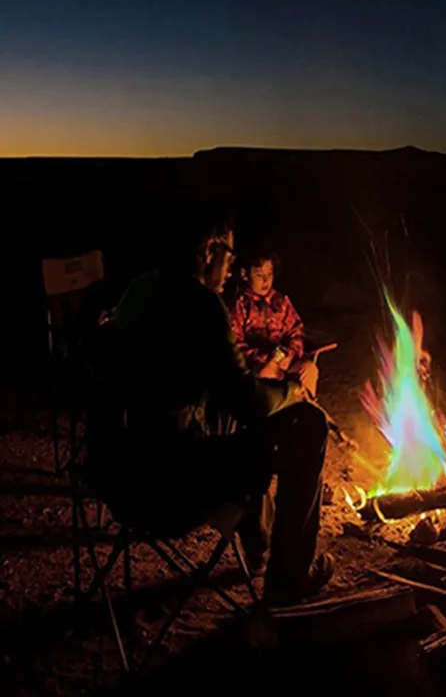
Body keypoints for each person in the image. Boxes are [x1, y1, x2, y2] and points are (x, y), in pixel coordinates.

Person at [86, 207, 333, 604]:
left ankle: (258, 542)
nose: (233, 265)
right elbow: (250, 402)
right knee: (308, 424)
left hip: (117, 474)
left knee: (230, 419)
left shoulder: (140, 289)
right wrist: (292, 391)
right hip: (170, 486)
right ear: (207, 251)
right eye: (229, 255)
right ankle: (287, 582)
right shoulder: (202, 307)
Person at [230, 250, 319, 397]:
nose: (265, 281)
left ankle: (307, 410)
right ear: (245, 275)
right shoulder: (240, 305)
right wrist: (265, 359)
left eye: (269, 274)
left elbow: (296, 331)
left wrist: (290, 354)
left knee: (309, 369)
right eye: (259, 275)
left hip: (285, 362)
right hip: (258, 367)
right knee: (268, 376)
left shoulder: (281, 301)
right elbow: (235, 343)